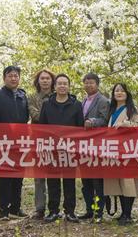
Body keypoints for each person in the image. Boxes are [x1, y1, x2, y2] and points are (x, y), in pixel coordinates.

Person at [39, 74, 84, 223]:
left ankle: (70, 211)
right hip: (51, 148)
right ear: (55, 86)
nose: (62, 86)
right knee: (52, 180)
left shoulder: (76, 104)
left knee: (69, 181)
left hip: (70, 149)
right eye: (60, 83)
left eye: (65, 83)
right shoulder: (47, 104)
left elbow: (80, 127)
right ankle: (53, 211)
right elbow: (42, 126)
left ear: (69, 86)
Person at [0, 65, 29, 220]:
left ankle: (15, 208)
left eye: (16, 75)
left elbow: (26, 118)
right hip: (3, 143)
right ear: (5, 77)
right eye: (10, 75)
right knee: (4, 177)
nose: (13, 78)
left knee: (19, 176)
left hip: (20, 142)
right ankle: (3, 210)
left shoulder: (22, 95)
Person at [104, 83, 138, 225]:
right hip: (114, 150)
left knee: (129, 182)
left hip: (129, 150)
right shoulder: (112, 109)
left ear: (127, 93)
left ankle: (128, 213)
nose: (119, 93)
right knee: (118, 182)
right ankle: (122, 213)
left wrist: (129, 125)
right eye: (116, 90)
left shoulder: (132, 109)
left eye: (122, 90)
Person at [79, 73, 109, 223]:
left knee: (98, 180)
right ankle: (89, 209)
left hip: (97, 145)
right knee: (86, 181)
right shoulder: (83, 101)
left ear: (97, 84)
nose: (89, 85)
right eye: (86, 83)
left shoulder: (103, 100)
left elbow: (105, 120)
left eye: (91, 83)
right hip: (84, 146)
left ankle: (99, 211)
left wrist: (93, 121)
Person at [28, 69, 55, 220]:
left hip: (56, 141)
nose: (45, 81)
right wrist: (54, 115)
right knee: (39, 176)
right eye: (42, 78)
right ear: (38, 81)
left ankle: (53, 207)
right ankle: (39, 208)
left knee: (54, 174)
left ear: (52, 81)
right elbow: (35, 115)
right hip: (37, 140)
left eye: (48, 78)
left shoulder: (59, 96)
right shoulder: (32, 97)